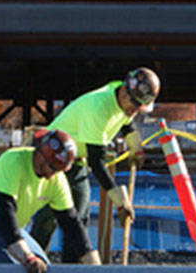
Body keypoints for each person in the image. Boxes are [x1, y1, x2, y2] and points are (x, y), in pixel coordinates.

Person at [30, 67, 160, 260]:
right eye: (133, 106)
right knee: (48, 217)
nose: (133, 112)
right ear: (124, 92)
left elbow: (125, 119)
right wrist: (118, 199)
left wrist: (133, 139)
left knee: (79, 217)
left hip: (75, 158)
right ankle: (31, 268)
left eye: (138, 109)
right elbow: (97, 162)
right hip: (52, 157)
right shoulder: (98, 108)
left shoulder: (123, 99)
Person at [0, 129, 98, 273]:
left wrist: (93, 263)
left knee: (45, 268)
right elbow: (4, 212)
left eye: (59, 170)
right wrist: (28, 258)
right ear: (40, 155)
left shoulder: (57, 179)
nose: (53, 175)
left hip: (12, 228)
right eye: (52, 167)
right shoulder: (13, 161)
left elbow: (71, 221)